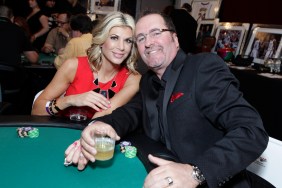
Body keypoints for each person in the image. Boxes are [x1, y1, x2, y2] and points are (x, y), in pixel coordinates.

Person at [65, 11, 269, 188]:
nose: (148, 42)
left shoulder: (201, 68)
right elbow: (132, 112)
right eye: (141, 38)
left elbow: (251, 131)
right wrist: (100, 124)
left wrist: (196, 172)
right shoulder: (148, 81)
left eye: (156, 33)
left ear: (175, 39)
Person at [32, 11, 141, 121]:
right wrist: (70, 100)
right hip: (63, 132)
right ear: (101, 40)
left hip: (97, 135)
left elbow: (103, 115)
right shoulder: (73, 66)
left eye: (128, 41)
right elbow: (36, 110)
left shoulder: (133, 79)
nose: (121, 47)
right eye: (114, 38)